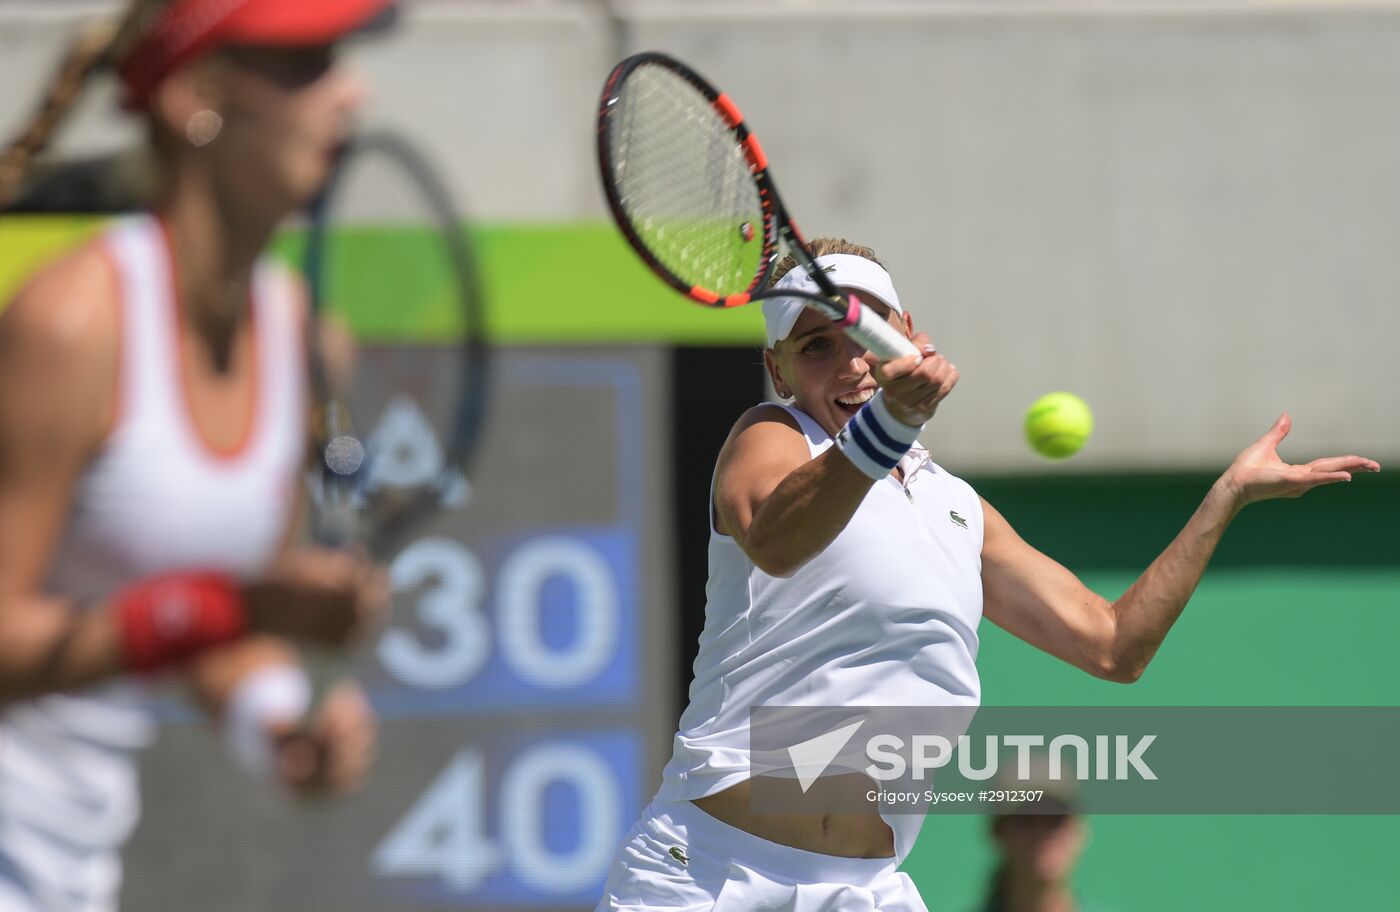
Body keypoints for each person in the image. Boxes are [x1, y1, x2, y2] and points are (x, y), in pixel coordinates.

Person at [595, 237, 1380, 911]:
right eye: (815, 346)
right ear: (779, 370)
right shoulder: (772, 437)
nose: (851, 362)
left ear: (908, 335)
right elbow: (776, 538)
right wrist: (888, 424)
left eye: (865, 332)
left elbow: (1114, 646)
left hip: (866, 890)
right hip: (708, 876)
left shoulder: (958, 510)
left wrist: (1226, 499)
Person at [0, 2, 396, 910]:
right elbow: (203, 605)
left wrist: (278, 724)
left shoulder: (296, 328)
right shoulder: (71, 323)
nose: (351, 92)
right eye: (306, 64)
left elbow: (217, 628)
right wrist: (230, 606)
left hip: (70, 869)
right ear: (194, 98)